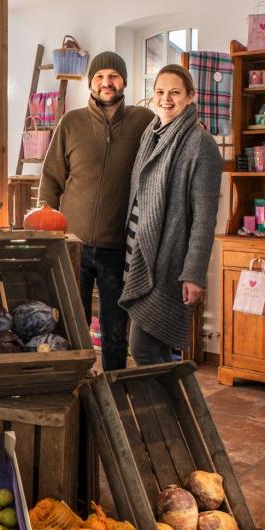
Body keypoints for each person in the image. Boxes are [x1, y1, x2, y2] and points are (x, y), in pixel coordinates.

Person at [39, 51, 155, 371]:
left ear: (124, 82)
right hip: (72, 245)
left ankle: (114, 388)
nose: (107, 83)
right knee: (71, 319)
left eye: (113, 76)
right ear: (91, 82)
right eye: (100, 77)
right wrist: (49, 231)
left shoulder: (143, 121)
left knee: (114, 327)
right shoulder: (71, 122)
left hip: (119, 247)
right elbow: (50, 179)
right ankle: (72, 381)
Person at [119, 64, 223, 365]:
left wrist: (193, 273)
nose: (166, 98)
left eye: (175, 92)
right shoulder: (151, 135)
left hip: (169, 265)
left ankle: (168, 411)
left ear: (190, 96)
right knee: (156, 350)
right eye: (160, 92)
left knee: (144, 349)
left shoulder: (200, 144)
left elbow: (205, 218)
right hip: (140, 255)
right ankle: (171, 411)